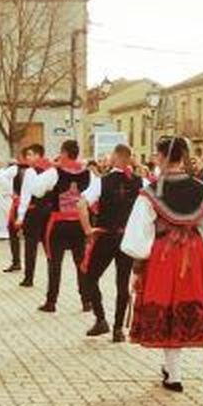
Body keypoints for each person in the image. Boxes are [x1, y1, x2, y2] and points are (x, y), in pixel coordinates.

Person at [121, 136, 203, 392]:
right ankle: (173, 371)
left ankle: (174, 373)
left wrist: (141, 257)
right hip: (194, 253)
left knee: (166, 307)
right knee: (183, 307)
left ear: (162, 157)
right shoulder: (202, 188)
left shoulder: (151, 192)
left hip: (164, 255)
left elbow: (136, 237)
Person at [79, 144, 141, 341]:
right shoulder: (142, 182)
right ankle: (118, 330)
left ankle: (101, 320)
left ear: (115, 157)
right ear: (130, 159)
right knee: (122, 284)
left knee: (89, 277)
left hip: (106, 236)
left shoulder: (101, 182)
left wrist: (88, 229)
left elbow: (81, 203)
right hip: (128, 239)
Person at [32, 140, 95, 309]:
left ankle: (51, 301)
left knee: (54, 262)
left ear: (65, 153)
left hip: (59, 223)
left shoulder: (54, 172)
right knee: (81, 261)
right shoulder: (88, 173)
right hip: (79, 223)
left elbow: (36, 190)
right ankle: (86, 300)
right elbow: (94, 197)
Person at [14, 144, 51, 285]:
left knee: (30, 246)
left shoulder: (30, 172)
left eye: (30, 154)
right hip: (48, 212)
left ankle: (29, 278)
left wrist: (20, 217)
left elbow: (25, 195)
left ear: (38, 155)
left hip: (34, 212)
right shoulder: (52, 170)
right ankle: (52, 276)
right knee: (49, 247)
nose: (27, 157)